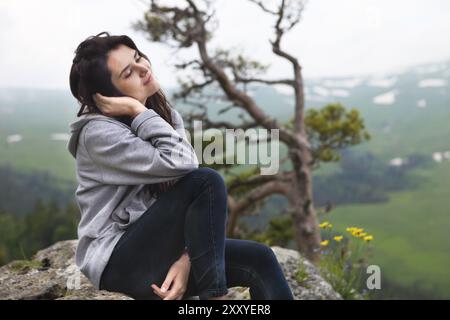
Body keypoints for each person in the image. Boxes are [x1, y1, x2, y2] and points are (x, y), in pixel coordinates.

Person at [67, 31, 294, 300]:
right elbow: (185, 165)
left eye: (138, 58)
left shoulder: (161, 113)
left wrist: (186, 260)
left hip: (155, 250)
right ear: (109, 96)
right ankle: (214, 299)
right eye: (128, 73)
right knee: (206, 181)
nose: (143, 68)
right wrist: (138, 111)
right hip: (118, 263)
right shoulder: (98, 134)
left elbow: (184, 191)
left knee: (260, 258)